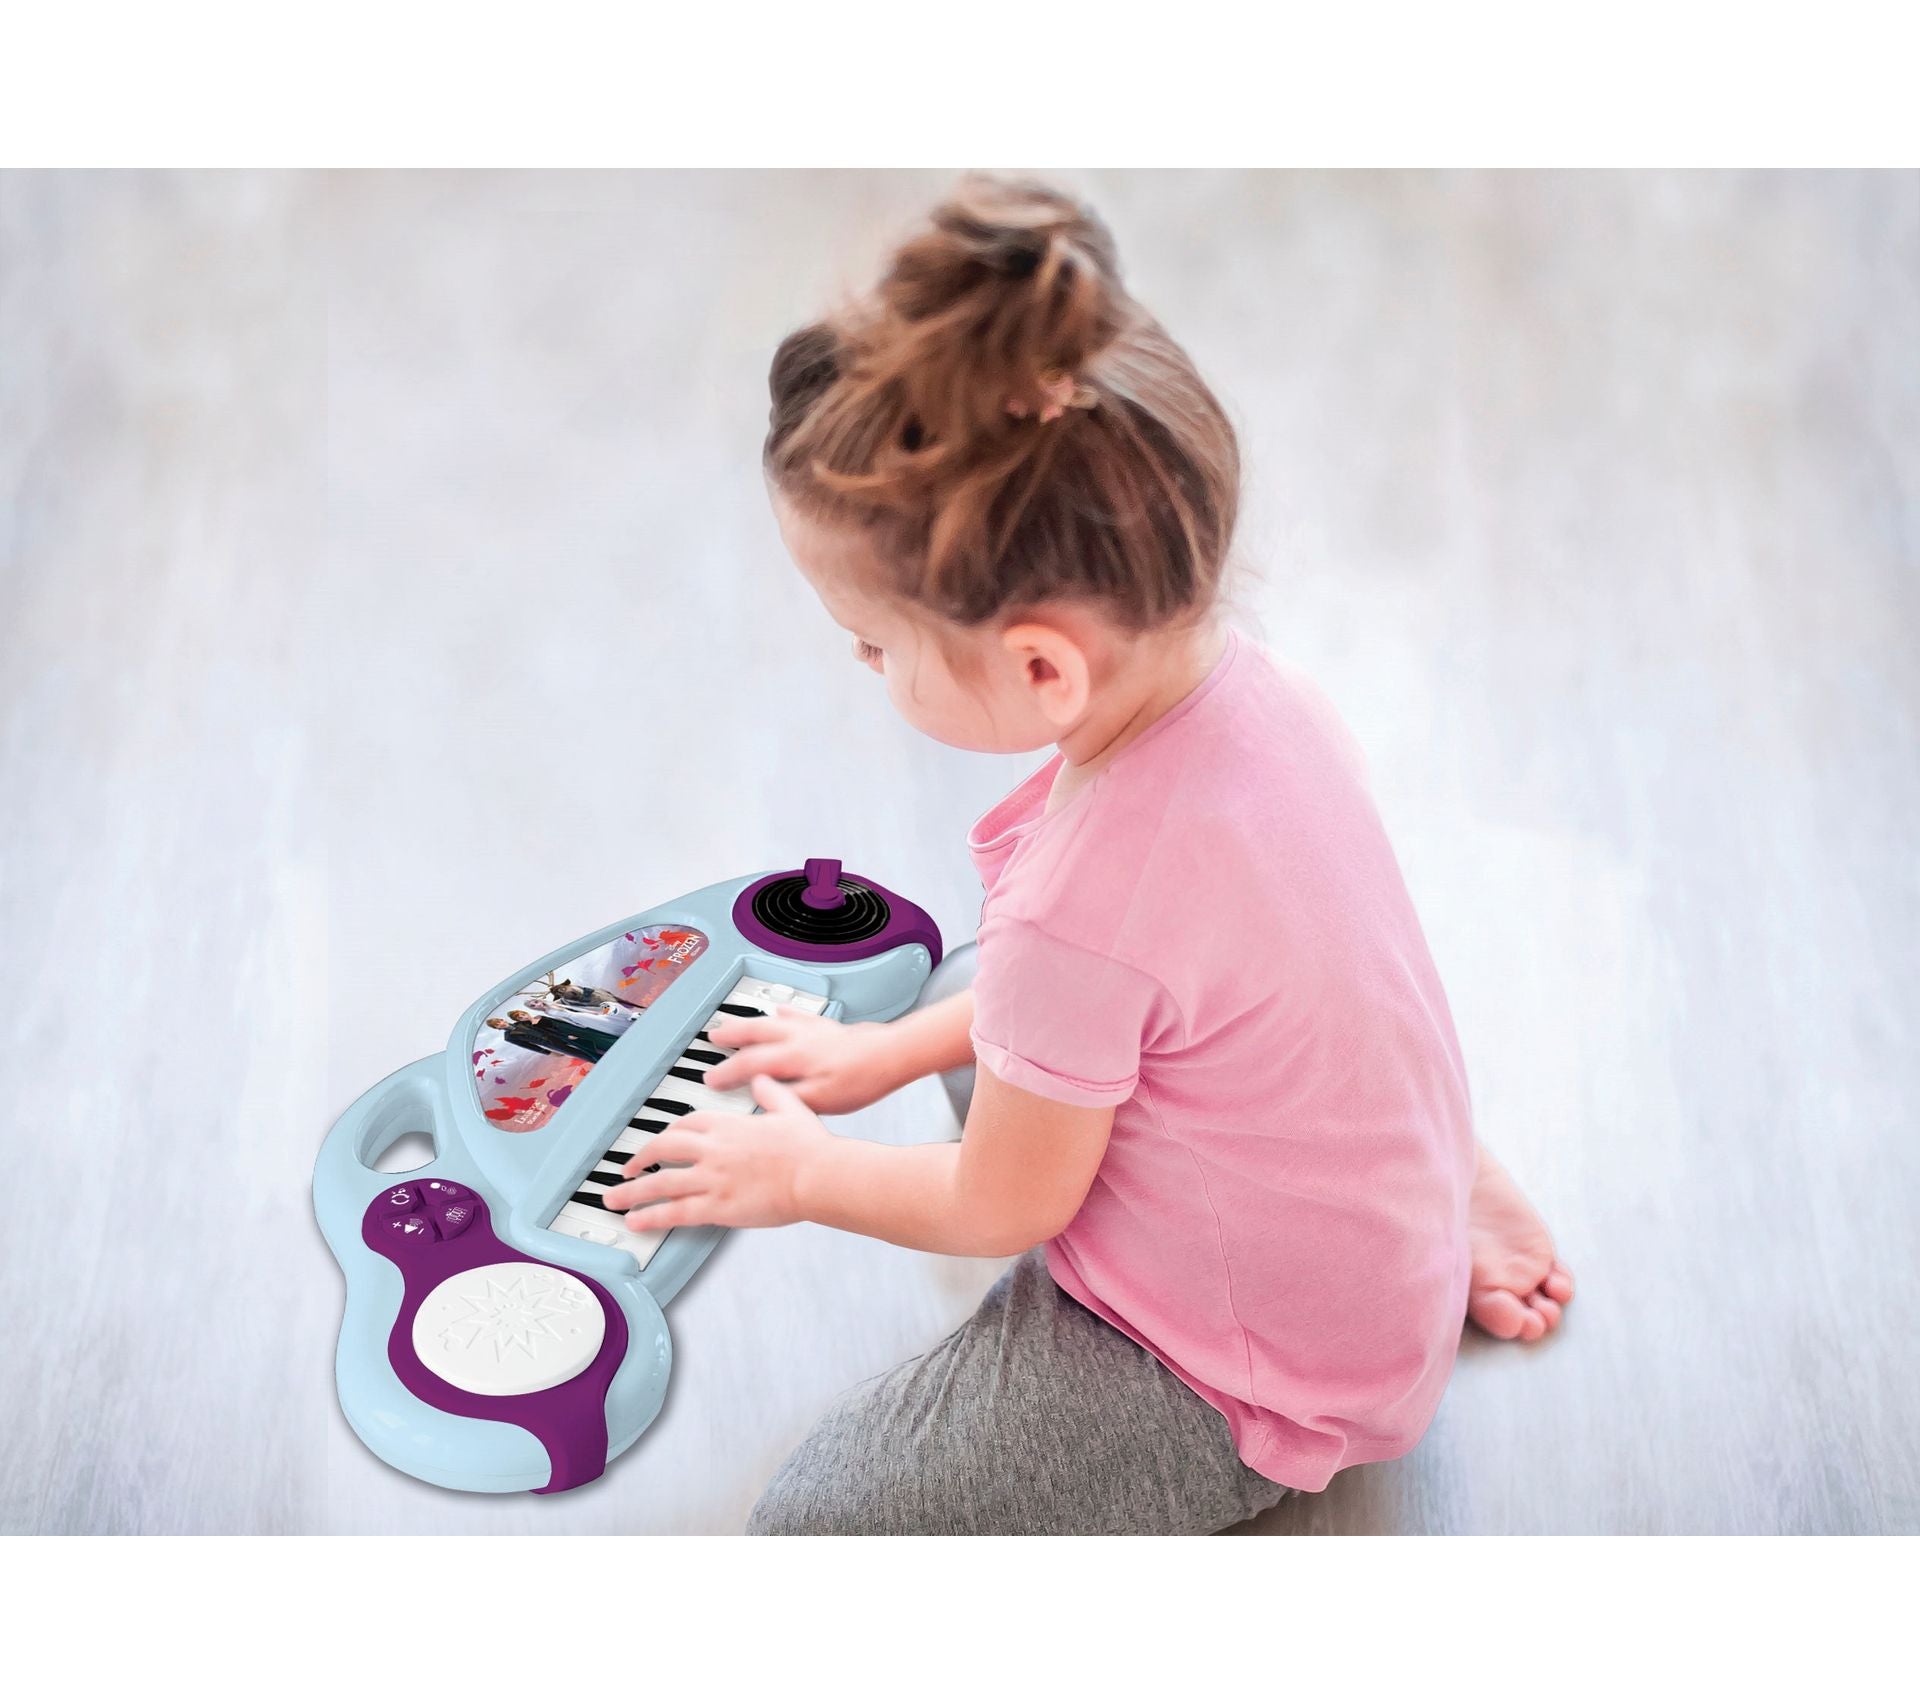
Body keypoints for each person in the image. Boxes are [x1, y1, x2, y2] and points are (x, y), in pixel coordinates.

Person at [603, 174, 1574, 1534]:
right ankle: (1432, 1181)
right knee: (979, 985)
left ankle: (1382, 1254)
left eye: (874, 645)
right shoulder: (1264, 695)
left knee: (809, 1526)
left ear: (1044, 667)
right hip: (1351, 1201)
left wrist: (798, 1176)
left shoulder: (1082, 909)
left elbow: (998, 1204)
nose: (863, 666)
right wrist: (889, 1054)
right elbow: (1220, 972)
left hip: (1250, 1373)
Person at [484, 1009, 618, 1066]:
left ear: (502, 1020)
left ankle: (609, 1052)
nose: (501, 1024)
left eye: (499, 1021)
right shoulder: (509, 1037)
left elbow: (543, 1025)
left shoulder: (521, 1023)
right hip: (550, 1044)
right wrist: (549, 1053)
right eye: (497, 1025)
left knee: (584, 1044)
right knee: (579, 1053)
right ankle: (601, 1062)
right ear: (497, 1028)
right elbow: (529, 1046)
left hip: (558, 1035)